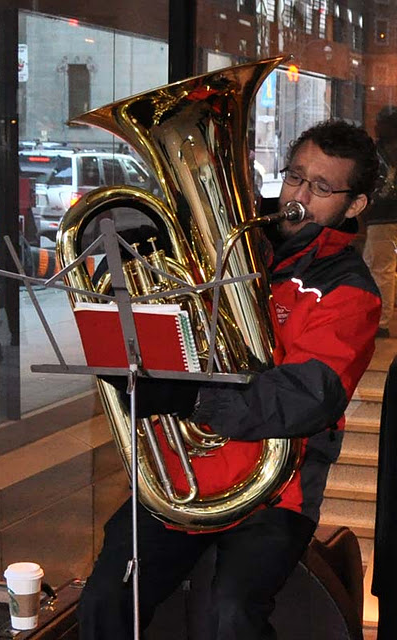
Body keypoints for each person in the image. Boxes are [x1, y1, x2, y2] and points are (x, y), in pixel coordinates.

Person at [78, 119, 382, 640]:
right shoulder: (232, 242)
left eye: (322, 187)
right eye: (295, 177)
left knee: (231, 614)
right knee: (108, 597)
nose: (299, 195)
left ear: (354, 205)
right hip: (181, 477)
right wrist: (120, 247)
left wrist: (191, 397)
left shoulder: (351, 292)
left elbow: (308, 397)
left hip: (275, 491)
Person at [362, 106, 397, 338]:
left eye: (380, 122)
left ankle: (381, 321)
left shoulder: (387, 151)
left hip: (384, 215)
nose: (375, 126)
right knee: (383, 267)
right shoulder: (383, 149)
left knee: (379, 268)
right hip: (384, 215)